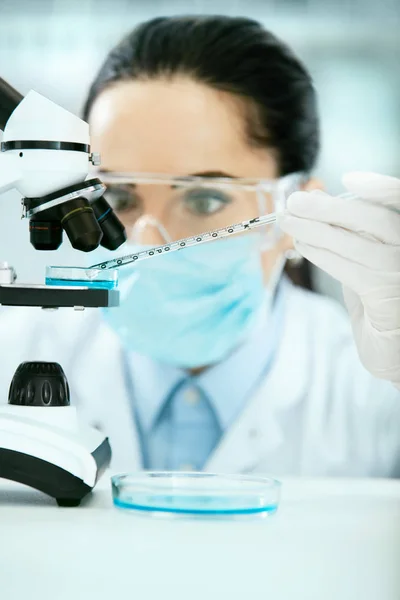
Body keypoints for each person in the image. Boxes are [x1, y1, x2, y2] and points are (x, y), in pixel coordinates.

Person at [1, 16, 399, 476]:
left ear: (298, 209)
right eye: (120, 198)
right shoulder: (14, 354)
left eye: (204, 199)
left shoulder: (372, 383)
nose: (146, 239)